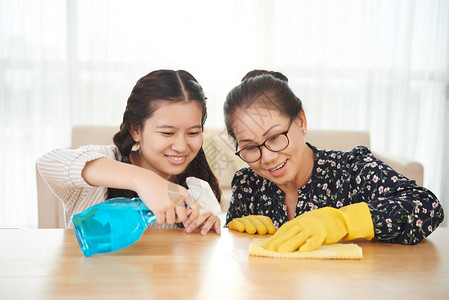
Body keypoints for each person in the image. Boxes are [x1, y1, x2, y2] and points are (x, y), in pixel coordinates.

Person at [223, 69, 444, 252]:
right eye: (251, 147)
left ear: (300, 121)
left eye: (274, 137)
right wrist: (232, 232)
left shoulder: (351, 170)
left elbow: (428, 208)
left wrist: (343, 221)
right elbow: (238, 257)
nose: (268, 157)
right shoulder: (247, 184)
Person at [38, 69, 222, 235]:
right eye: (167, 133)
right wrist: (144, 180)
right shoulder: (106, 163)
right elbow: (48, 163)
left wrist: (205, 230)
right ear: (136, 130)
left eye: (193, 133)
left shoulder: (196, 190)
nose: (181, 146)